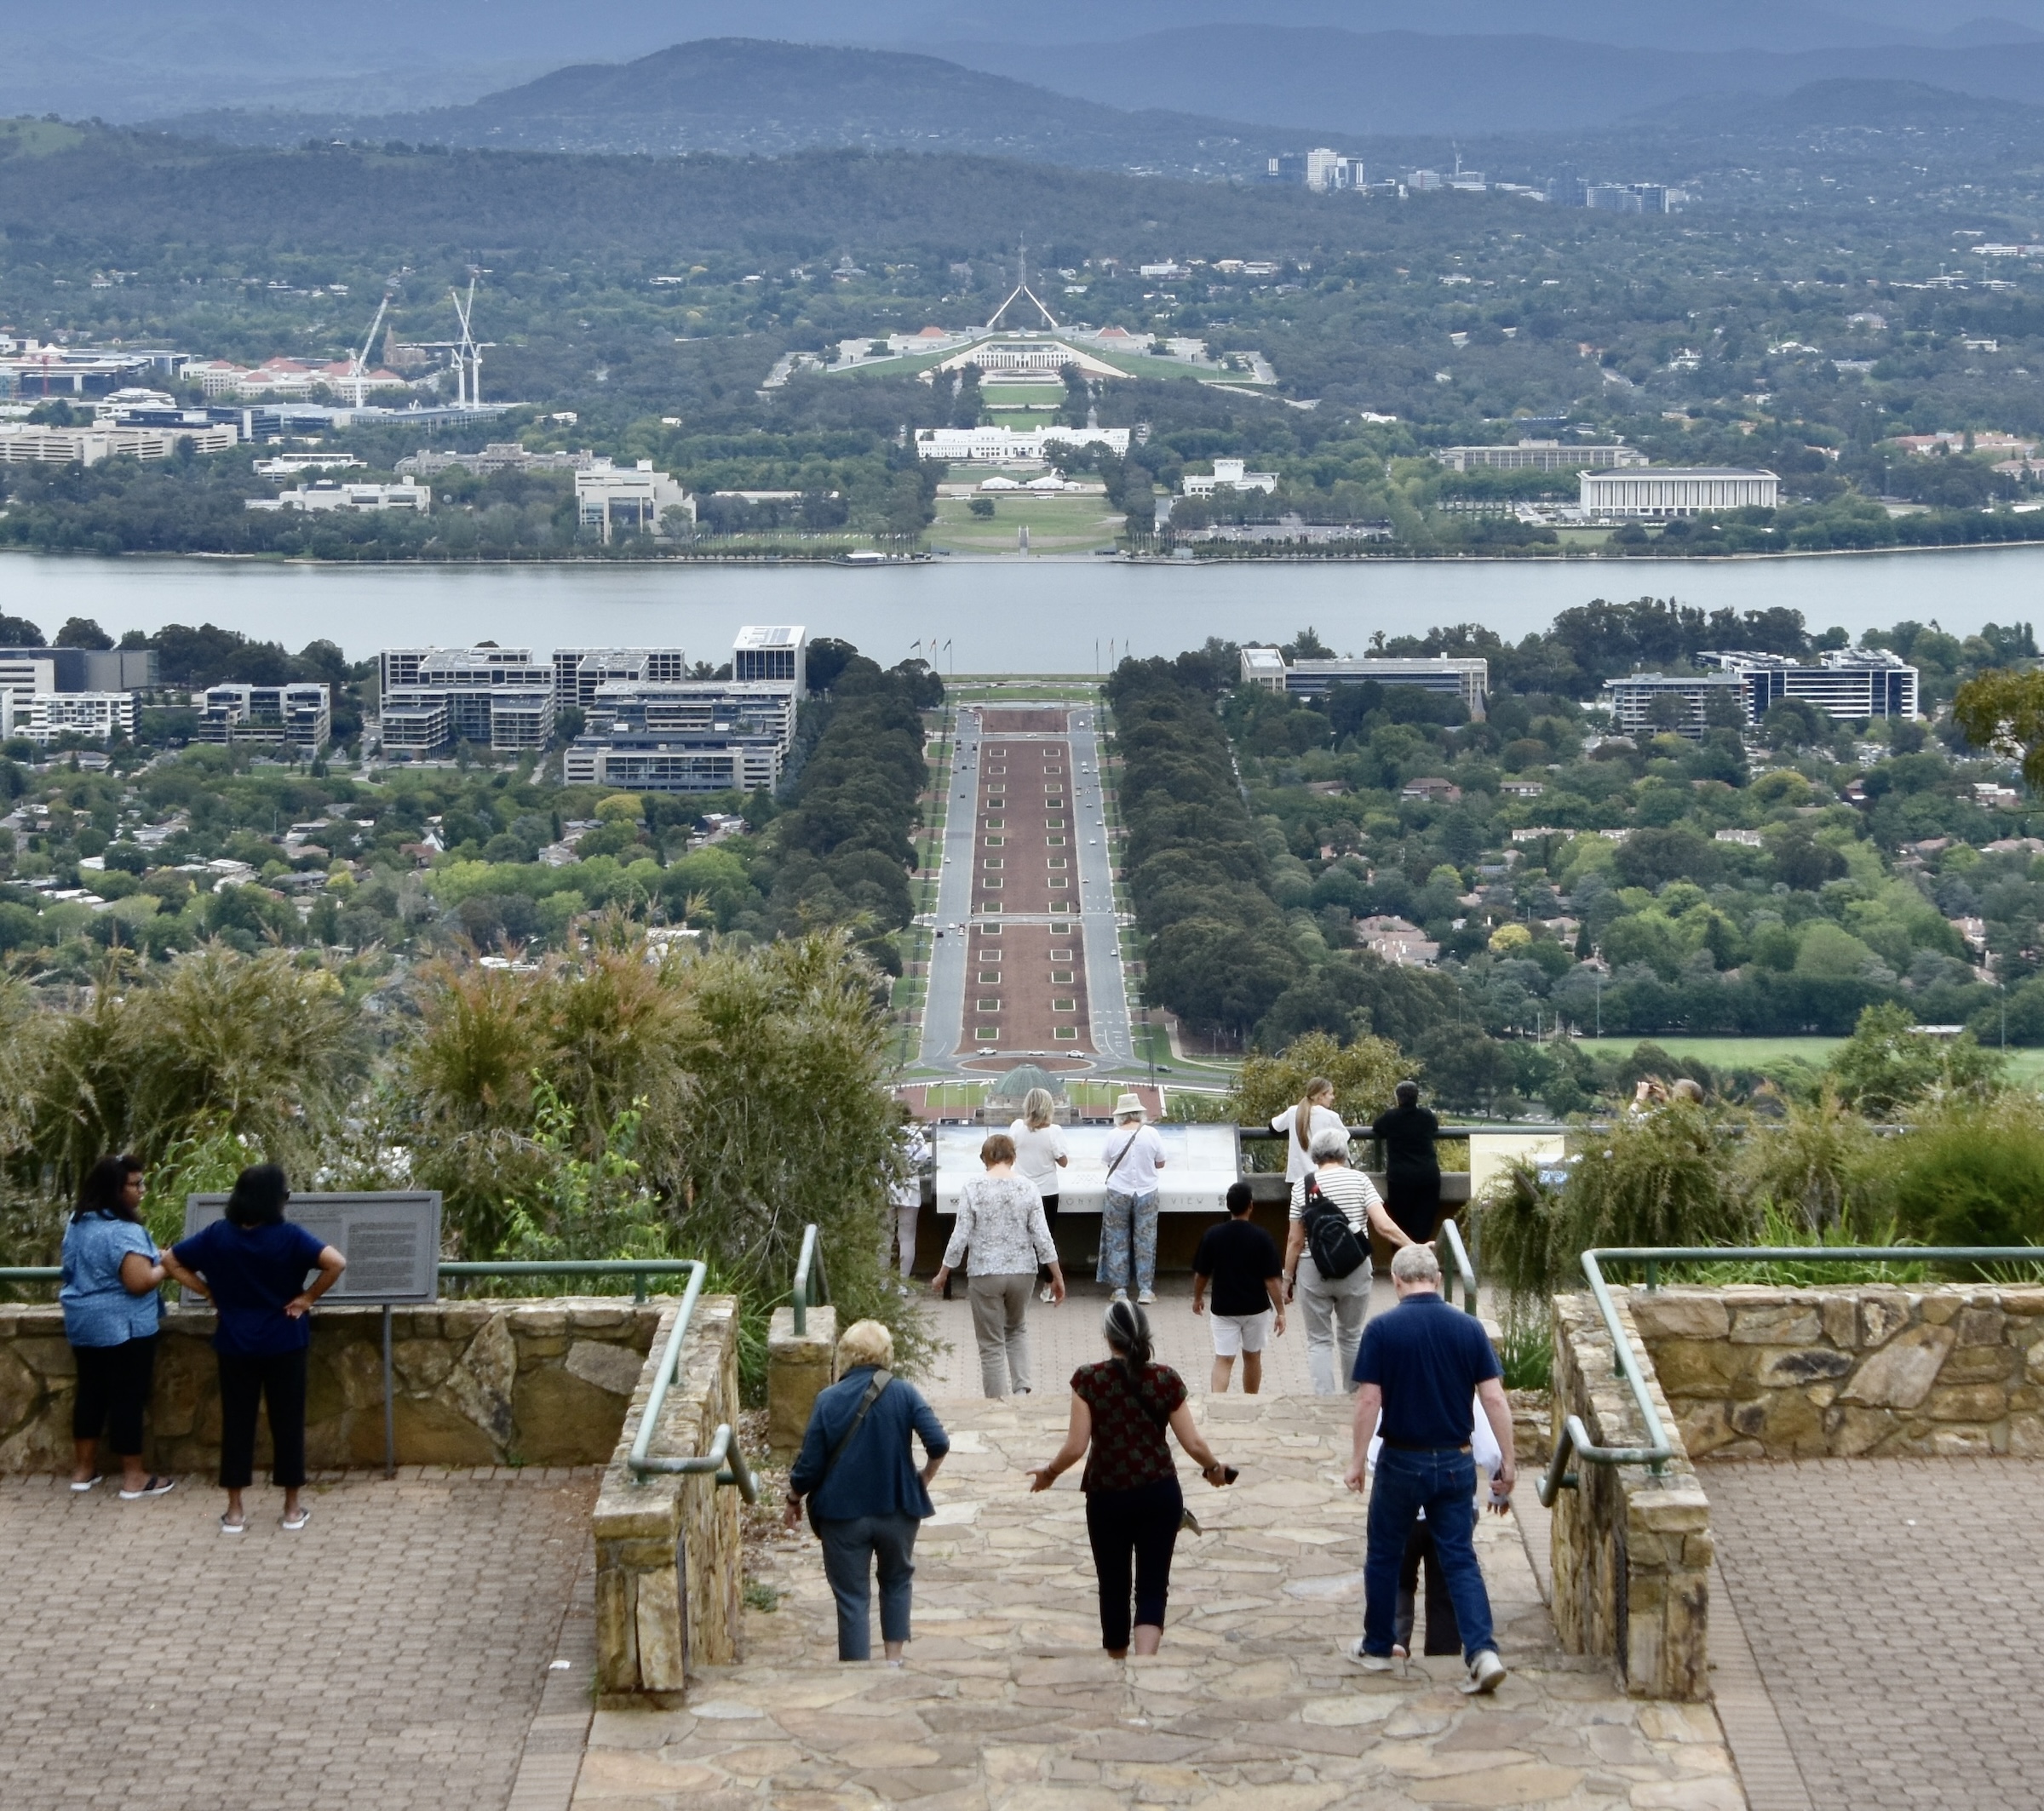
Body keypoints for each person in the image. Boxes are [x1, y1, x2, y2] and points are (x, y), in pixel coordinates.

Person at [1342, 1243, 1515, 1697]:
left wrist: (1357, 1461)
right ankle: (1483, 1652)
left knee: (1385, 1554)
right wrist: (1509, 1462)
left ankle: (1379, 1646)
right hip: (1456, 1460)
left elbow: (1368, 1400)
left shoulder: (1381, 1329)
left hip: (1401, 1458)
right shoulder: (1469, 1328)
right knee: (1459, 1558)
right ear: (1437, 1280)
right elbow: (1494, 1399)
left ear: (1396, 1282)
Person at [1027, 1300, 1232, 1659]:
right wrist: (1214, 1468)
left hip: (1107, 1495)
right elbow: (1194, 1443)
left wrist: (1050, 1473)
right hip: (1159, 1492)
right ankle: (1145, 1663)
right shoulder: (1166, 1379)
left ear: (1107, 1336)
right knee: (1153, 1585)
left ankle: (1118, 1661)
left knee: (1113, 1585)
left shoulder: (1088, 1380)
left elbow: (1076, 1446)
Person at [162, 1164, 346, 1535]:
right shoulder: (290, 1237)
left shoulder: (217, 1235)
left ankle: (235, 1511)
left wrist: (208, 1292)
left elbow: (170, 1260)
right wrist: (307, 1298)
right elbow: (336, 1262)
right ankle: (291, 1508)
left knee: (237, 1423)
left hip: (235, 1341)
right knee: (287, 1422)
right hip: (285, 1340)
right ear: (275, 1199)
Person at [784, 1319, 950, 1664]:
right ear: (886, 1354)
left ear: (845, 1354)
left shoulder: (828, 1400)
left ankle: (857, 1673)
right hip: (898, 1509)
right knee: (897, 1581)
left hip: (842, 1515)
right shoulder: (904, 1393)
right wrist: (923, 1478)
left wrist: (794, 1498)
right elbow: (938, 1442)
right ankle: (893, 1662)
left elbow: (810, 1465)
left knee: (852, 1598)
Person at [60, 1155, 174, 1499]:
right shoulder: (125, 1231)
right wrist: (166, 1265)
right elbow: (138, 1281)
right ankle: (134, 1477)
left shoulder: (78, 1223)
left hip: (84, 1323)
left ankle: (83, 1470)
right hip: (125, 1327)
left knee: (91, 1393)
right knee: (127, 1398)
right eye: (135, 1184)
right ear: (115, 1189)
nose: (142, 1190)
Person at [1365, 1390, 1507, 1666]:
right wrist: (1498, 1493)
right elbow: (1491, 1452)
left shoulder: (1395, 1385)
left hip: (1403, 1503)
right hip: (1451, 1503)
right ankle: (1443, 1658)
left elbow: (1373, 1455)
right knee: (1447, 1585)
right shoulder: (1462, 1387)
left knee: (1398, 1577)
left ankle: (1394, 1640)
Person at [931, 1133, 1065, 1397]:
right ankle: (1022, 1393)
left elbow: (960, 1235)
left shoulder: (973, 1187)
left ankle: (997, 1404)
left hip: (985, 1272)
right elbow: (1042, 1236)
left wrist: (944, 1272)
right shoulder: (1028, 1188)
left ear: (985, 1158)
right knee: (1016, 1329)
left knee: (991, 1344)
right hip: (1023, 1271)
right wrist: (1056, 1275)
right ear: (1013, 1157)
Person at [1284, 1126, 1410, 1395]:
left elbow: (1295, 1240)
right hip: (1355, 1267)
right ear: (1343, 1152)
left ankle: (1325, 1401)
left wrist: (1287, 1279)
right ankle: (1353, 1397)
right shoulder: (1360, 1180)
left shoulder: (1302, 1186)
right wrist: (1414, 1246)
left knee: (1318, 1341)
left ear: (1315, 1154)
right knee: (1352, 1336)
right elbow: (1383, 1226)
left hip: (1314, 1269)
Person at [1191, 1181, 1284, 1395]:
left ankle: (1217, 1403)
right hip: (1256, 1308)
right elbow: (1271, 1280)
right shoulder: (1262, 1237)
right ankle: (1250, 1401)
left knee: (1223, 1359)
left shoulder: (1212, 1235)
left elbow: (1201, 1274)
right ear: (1251, 1205)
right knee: (1252, 1356)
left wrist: (1197, 1298)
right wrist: (1281, 1311)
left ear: (1228, 1205)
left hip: (1223, 1308)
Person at [1099, 1093, 1166, 1306]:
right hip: (1147, 1191)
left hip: (1118, 1191)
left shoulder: (1112, 1136)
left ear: (1120, 1115)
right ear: (1139, 1113)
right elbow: (1161, 1162)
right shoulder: (1152, 1134)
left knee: (1117, 1239)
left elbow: (1106, 1161)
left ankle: (1120, 1290)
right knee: (1146, 1241)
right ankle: (1145, 1289)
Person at [1008, 1086, 1071, 1304]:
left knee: (1020, 1237)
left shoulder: (1017, 1128)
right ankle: (1047, 1286)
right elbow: (1063, 1162)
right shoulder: (1054, 1131)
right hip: (1047, 1191)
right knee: (1046, 1239)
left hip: (1022, 1190)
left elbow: (1008, 1154)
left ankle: (1019, 1285)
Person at [1372, 1080, 1444, 1246]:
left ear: (1398, 1098)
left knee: (1400, 1226)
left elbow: (1377, 1127)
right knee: (1424, 1226)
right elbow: (1434, 1127)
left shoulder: (1391, 1117)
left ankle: (1401, 1256)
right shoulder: (1426, 1116)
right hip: (1428, 1175)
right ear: (1417, 1098)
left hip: (1400, 1177)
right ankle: (1422, 1254)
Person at [1271, 1077, 1344, 1186]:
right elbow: (1344, 1139)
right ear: (1320, 1096)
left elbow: (1274, 1127)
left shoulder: (1293, 1112)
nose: (1333, 1097)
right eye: (1330, 1094)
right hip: (1323, 1178)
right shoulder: (1331, 1117)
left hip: (1296, 1178)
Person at [885, 1119, 929, 1279]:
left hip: (886, 1187)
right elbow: (924, 1154)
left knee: (884, 1238)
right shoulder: (915, 1134)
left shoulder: (884, 1133)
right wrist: (910, 1166)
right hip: (908, 1189)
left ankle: (883, 1281)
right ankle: (903, 1282)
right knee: (907, 1238)